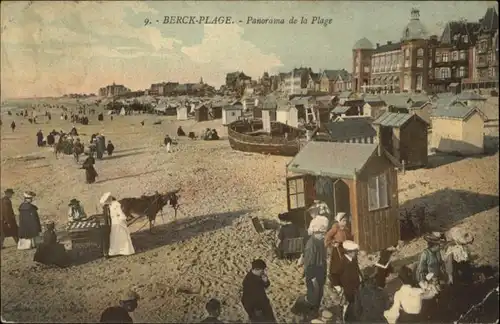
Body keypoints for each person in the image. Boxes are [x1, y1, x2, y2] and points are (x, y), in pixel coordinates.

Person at [303, 214, 328, 312]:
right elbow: (308, 265)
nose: (323, 235)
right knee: (314, 297)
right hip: (314, 276)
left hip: (320, 272)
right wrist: (312, 279)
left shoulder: (320, 242)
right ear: (315, 232)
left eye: (324, 233)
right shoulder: (311, 245)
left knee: (319, 295)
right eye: (321, 233)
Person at [241, 259, 276, 323]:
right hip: (257, 310)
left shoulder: (258, 275)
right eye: (262, 270)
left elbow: (265, 285)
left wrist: (265, 281)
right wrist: (256, 310)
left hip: (263, 306)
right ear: (257, 269)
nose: (263, 272)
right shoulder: (248, 281)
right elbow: (246, 299)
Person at [101, 193, 135, 257]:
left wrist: (122, 219)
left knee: (121, 236)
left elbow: (120, 213)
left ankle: (125, 251)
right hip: (114, 223)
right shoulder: (109, 206)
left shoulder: (116, 204)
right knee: (114, 237)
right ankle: (116, 251)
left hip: (118, 221)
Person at [324, 212, 353, 288]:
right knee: (337, 267)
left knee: (346, 266)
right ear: (339, 221)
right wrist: (332, 243)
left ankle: (345, 281)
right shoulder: (335, 228)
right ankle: (335, 283)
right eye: (343, 221)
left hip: (345, 249)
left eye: (346, 221)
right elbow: (327, 237)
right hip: (337, 250)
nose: (345, 222)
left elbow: (349, 238)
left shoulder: (346, 229)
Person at [338, 240, 363, 322]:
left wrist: (361, 278)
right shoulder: (343, 262)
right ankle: (345, 319)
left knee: (354, 304)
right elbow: (338, 275)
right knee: (349, 305)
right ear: (349, 252)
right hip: (348, 288)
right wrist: (341, 287)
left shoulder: (353, 259)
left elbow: (357, 269)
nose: (356, 253)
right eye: (354, 252)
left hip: (355, 286)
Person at [100, 192, 113, 258]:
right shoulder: (106, 209)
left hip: (106, 225)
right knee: (106, 240)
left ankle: (107, 253)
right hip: (106, 226)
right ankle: (106, 254)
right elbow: (108, 217)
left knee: (107, 240)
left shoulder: (105, 208)